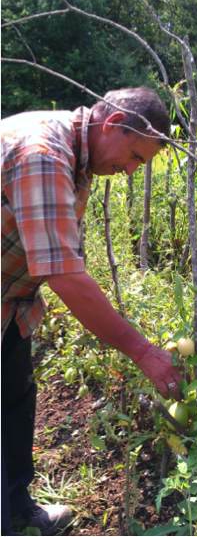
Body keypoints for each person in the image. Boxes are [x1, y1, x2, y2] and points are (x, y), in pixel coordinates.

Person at [0, 87, 185, 536]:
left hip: (9, 305)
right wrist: (144, 352)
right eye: (136, 156)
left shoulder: (77, 157)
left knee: (13, 398)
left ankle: (16, 511)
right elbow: (64, 275)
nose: (129, 172)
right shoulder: (44, 152)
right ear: (111, 126)